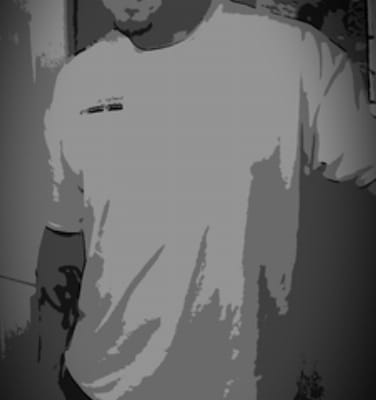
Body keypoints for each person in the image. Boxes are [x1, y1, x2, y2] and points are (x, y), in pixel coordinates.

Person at [33, 1, 376, 399]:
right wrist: (47, 365)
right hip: (97, 384)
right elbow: (62, 236)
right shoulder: (77, 80)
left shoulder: (298, 55)